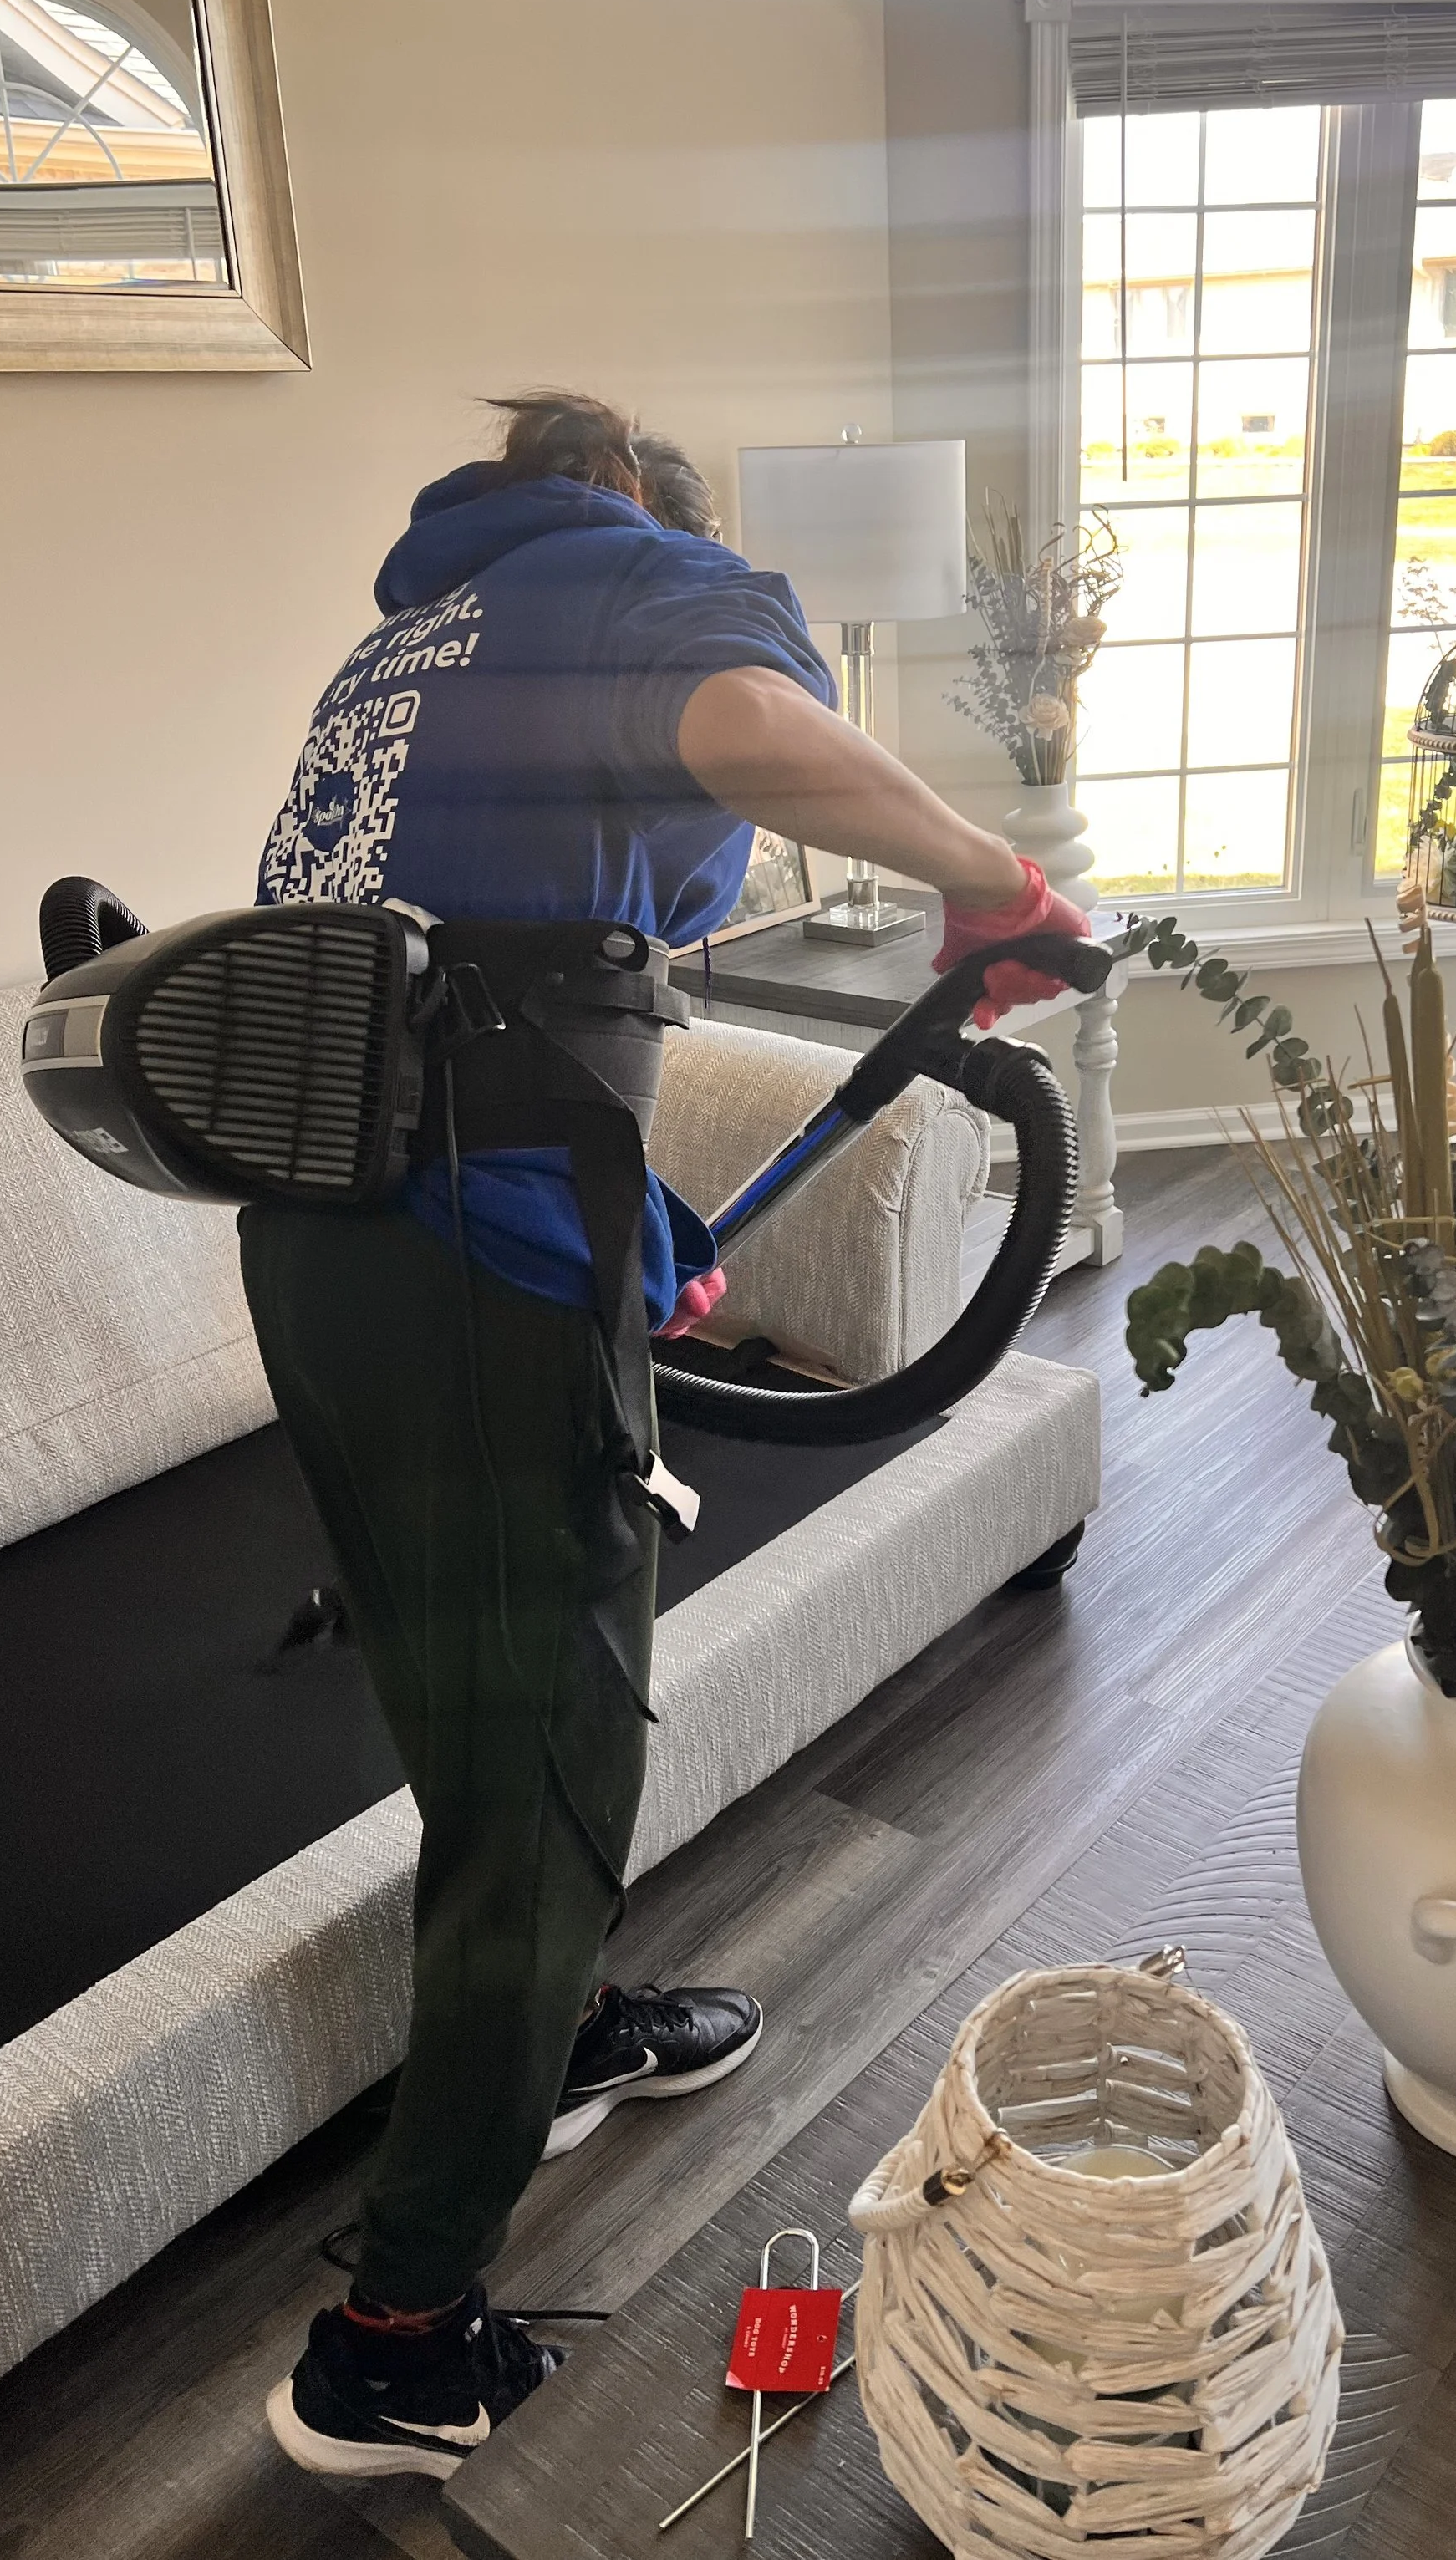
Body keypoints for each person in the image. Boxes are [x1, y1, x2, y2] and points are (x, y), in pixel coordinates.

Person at [245, 390, 1089, 2483]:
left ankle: (563, 2018)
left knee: (480, 1696)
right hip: (465, 1255)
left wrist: (639, 1232)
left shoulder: (410, 637)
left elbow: (489, 976)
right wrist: (994, 881)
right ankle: (396, 2336)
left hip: (328, 1235)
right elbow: (740, 729)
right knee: (555, 1739)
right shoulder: (621, 572)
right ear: (636, 501)